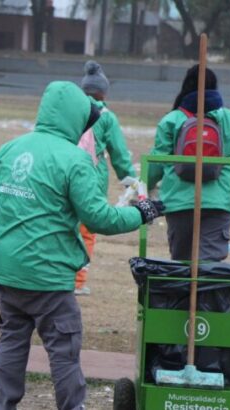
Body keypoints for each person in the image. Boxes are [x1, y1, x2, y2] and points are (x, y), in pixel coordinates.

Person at [0, 81, 164, 410]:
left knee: (11, 340)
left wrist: (2, 245)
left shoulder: (9, 149)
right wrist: (140, 213)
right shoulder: (75, 160)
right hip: (48, 276)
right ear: (76, 118)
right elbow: (98, 218)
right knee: (64, 350)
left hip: (6, 270)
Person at [148, 64, 230, 262]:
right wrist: (229, 193)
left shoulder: (171, 120)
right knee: (209, 268)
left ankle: (185, 294)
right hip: (218, 202)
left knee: (182, 265)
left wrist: (146, 187)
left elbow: (156, 164)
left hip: (179, 202)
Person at [74, 60, 138, 296]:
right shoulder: (106, 117)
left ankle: (58, 275)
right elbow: (119, 154)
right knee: (87, 229)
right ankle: (78, 280)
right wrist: (130, 180)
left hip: (63, 176)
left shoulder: (71, 110)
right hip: (92, 179)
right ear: (102, 91)